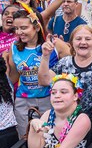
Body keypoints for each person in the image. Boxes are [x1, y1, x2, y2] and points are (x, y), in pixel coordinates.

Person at [39, 25, 92, 140]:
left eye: (88, 39)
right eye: (78, 39)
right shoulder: (64, 63)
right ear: (71, 43)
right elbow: (44, 80)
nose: (83, 42)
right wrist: (46, 56)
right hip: (71, 122)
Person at [8, 7, 60, 138]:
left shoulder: (53, 45)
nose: (19, 32)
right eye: (16, 28)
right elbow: (13, 76)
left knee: (49, 137)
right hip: (23, 100)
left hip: (48, 98)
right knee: (25, 138)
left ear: (37, 28)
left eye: (24, 28)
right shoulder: (14, 47)